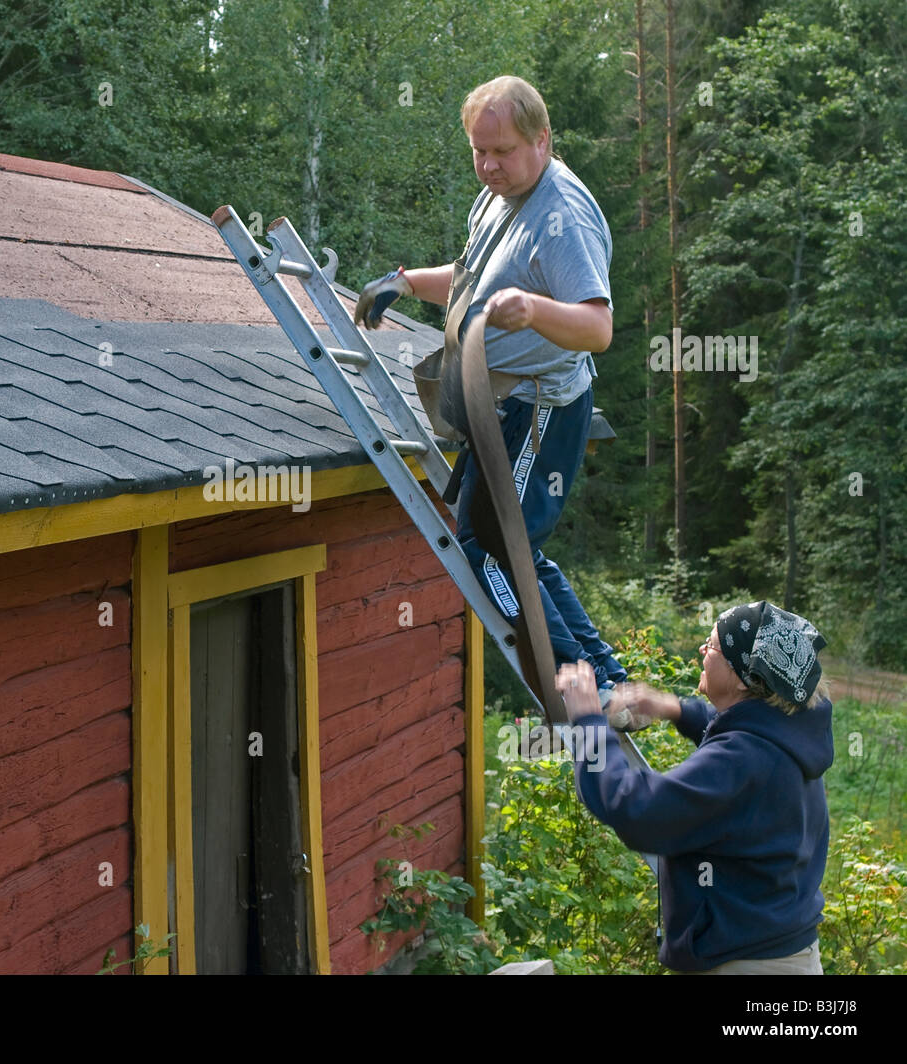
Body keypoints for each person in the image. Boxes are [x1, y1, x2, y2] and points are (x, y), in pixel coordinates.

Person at [354, 74, 626, 691]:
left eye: (501, 151)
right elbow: (472, 272)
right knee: (516, 547)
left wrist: (533, 311)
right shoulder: (498, 195)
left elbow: (598, 326)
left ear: (542, 140)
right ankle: (606, 675)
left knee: (488, 549)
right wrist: (406, 282)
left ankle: (585, 689)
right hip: (495, 400)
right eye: (478, 150)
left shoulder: (564, 217)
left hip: (539, 409)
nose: (488, 165)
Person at [555, 600, 834, 974]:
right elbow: (741, 726)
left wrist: (588, 721)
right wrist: (674, 708)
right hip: (782, 952)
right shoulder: (790, 731)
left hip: (745, 965)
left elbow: (638, 811)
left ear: (742, 678)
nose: (702, 649)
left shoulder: (740, 759)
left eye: (714, 644)